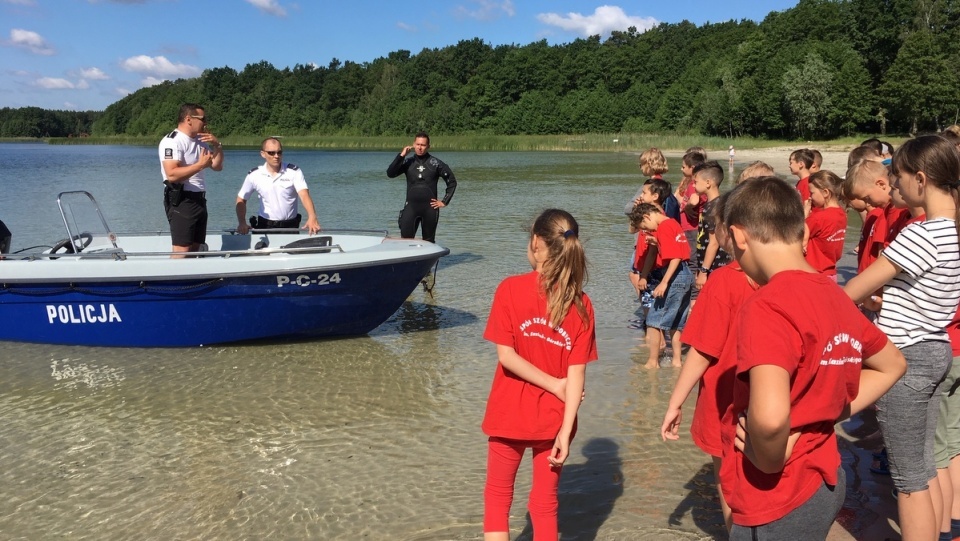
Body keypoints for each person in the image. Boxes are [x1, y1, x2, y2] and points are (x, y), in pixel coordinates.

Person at [720, 177, 906, 540]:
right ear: (804, 232)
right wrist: (823, 412)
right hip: (825, 480)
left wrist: (768, 461)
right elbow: (892, 363)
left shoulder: (766, 306)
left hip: (774, 495)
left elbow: (772, 422)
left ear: (739, 237)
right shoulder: (835, 295)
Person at [844, 135, 960, 541]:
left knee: (909, 482)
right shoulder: (952, 232)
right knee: (925, 468)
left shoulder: (920, 235)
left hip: (906, 358)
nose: (894, 184)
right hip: (937, 349)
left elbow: (854, 290)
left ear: (921, 180)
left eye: (898, 176)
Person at [481, 208, 598, 541]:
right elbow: (577, 376)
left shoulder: (509, 289)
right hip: (555, 420)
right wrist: (565, 429)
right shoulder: (582, 303)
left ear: (535, 243)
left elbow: (507, 358)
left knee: (497, 498)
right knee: (545, 503)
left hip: (508, 414)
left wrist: (554, 385)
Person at [660, 191, 758, 531]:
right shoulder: (789, 277)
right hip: (772, 405)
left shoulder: (724, 281)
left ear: (729, 231)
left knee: (729, 483)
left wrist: (675, 403)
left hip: (726, 402)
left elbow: (702, 350)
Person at [631, 203, 694, 368]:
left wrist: (664, 283)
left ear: (647, 217)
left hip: (674, 275)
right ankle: (677, 361)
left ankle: (652, 362)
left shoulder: (664, 227)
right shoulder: (673, 223)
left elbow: (675, 257)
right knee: (677, 322)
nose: (647, 230)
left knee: (653, 320)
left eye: (644, 226)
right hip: (686, 275)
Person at [158, 103, 224, 257]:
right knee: (182, 251)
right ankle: (174, 280)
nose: (205, 123)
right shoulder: (172, 141)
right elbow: (172, 174)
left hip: (199, 199)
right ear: (189, 119)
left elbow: (217, 166)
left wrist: (217, 146)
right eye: (203, 118)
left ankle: (193, 280)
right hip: (182, 199)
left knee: (196, 248)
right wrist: (200, 165)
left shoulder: (200, 141)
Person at [235, 137, 321, 235]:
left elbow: (304, 195)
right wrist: (242, 222)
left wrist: (312, 217)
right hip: (265, 225)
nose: (276, 156)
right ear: (263, 154)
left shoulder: (293, 172)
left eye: (279, 152)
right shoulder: (254, 175)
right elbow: (241, 199)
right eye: (271, 153)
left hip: (290, 226)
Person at [386, 132, 457, 243]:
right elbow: (390, 173)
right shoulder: (408, 162)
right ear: (414, 144)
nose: (420, 148)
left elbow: (452, 182)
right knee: (405, 242)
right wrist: (401, 156)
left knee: (428, 242)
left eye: (423, 145)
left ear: (428, 146)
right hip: (410, 208)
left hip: (430, 209)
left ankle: (430, 260)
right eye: (418, 144)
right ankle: (408, 260)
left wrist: (444, 201)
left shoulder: (436, 164)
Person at [692, 160, 730, 291]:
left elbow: (714, 243)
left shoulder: (715, 207)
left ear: (708, 183)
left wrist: (703, 271)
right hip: (707, 266)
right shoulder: (711, 205)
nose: (693, 185)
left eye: (696, 182)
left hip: (715, 267)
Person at [804, 170, 847, 280]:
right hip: (831, 272)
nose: (810, 197)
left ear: (825, 193)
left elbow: (798, 233)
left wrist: (804, 214)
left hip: (814, 272)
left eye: (812, 193)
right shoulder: (842, 214)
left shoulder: (818, 218)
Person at [626, 147, 680, 221]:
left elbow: (628, 209)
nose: (640, 167)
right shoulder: (663, 185)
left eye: (641, 164)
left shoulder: (649, 186)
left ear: (649, 165)